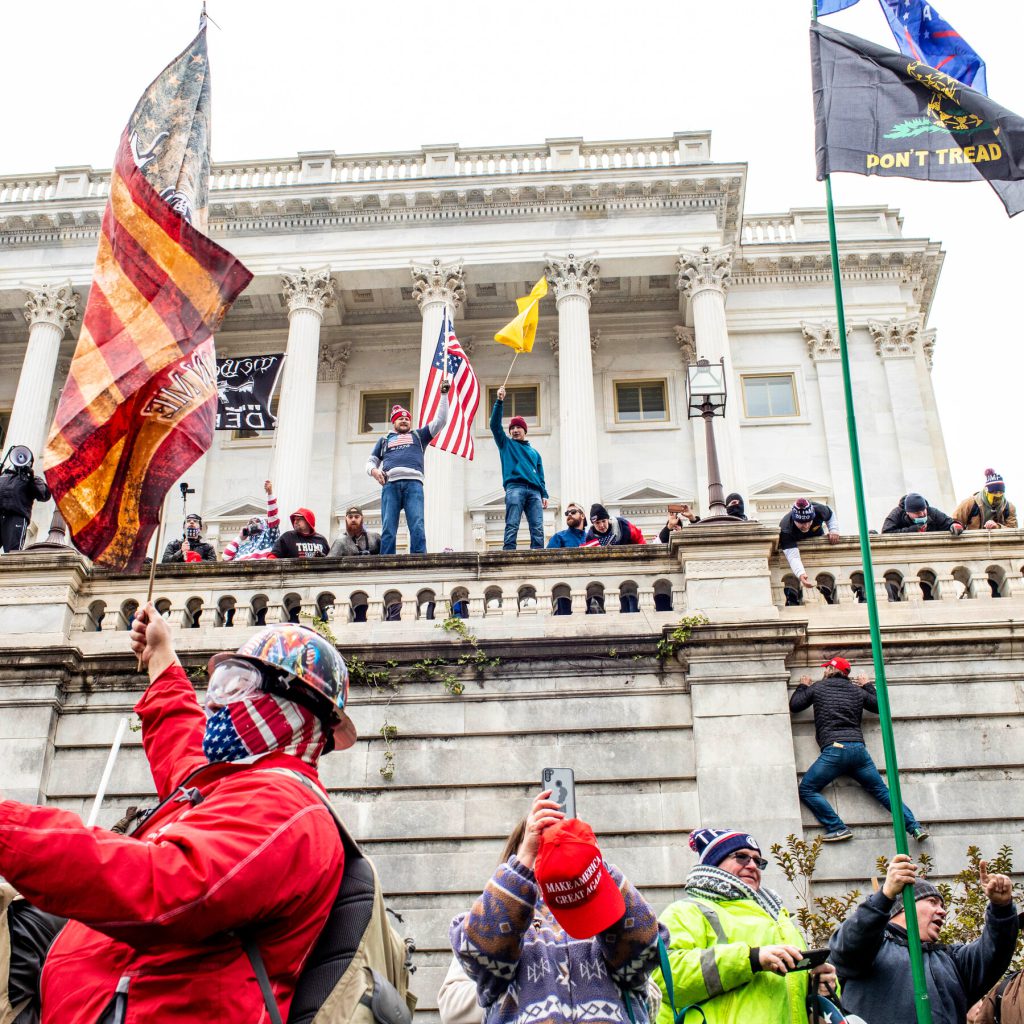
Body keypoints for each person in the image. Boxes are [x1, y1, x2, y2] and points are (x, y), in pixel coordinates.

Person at [0, 608, 357, 1023]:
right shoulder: (239, 785)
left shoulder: (285, 808)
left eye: (236, 684)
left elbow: (161, 887)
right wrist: (160, 657)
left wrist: (7, 829)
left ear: (291, 706)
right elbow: (183, 747)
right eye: (217, 684)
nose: (214, 701)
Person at [450, 790, 665, 1024]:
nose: (554, 851)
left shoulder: (602, 912)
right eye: (541, 847)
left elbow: (647, 949)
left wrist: (591, 863)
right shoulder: (503, 920)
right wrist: (523, 862)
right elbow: (477, 952)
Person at [656, 826, 835, 1024]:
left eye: (758, 861)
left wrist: (821, 986)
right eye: (741, 857)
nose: (752, 866)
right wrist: (750, 959)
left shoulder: (780, 919)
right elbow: (662, 976)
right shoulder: (687, 910)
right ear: (713, 863)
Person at [830, 853, 1019, 1024]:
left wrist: (1001, 909)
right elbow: (847, 947)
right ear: (904, 907)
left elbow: (995, 951)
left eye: (942, 906)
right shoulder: (873, 947)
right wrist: (885, 895)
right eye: (932, 902)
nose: (942, 911)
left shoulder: (953, 960)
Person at [789, 656, 928, 843]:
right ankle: (915, 827)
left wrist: (803, 686)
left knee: (807, 789)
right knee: (882, 791)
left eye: (826, 668)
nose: (824, 670)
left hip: (835, 750)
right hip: (858, 750)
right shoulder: (857, 691)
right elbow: (880, 706)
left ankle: (837, 827)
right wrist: (868, 685)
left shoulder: (818, 688)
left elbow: (795, 705)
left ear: (831, 670)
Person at [366, 384, 450, 555]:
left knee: (417, 524)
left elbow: (440, 421)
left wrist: (444, 395)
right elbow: (370, 462)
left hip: (414, 484)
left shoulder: (419, 436)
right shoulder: (384, 440)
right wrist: (374, 471)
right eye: (400, 418)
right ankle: (386, 560)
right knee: (388, 526)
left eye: (407, 419)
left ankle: (419, 559)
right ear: (394, 422)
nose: (404, 420)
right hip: (391, 485)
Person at [490, 386, 548, 550]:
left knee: (538, 527)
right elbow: (494, 425)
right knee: (512, 523)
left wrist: (544, 493)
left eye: (518, 427)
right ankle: (508, 552)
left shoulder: (534, 453)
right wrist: (499, 401)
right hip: (515, 487)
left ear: (524, 430)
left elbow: (541, 476)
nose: (515, 430)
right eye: (512, 428)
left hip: (535, 491)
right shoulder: (506, 444)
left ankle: (538, 554)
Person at [778, 497, 840, 591]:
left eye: (809, 521)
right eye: (801, 523)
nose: (806, 526)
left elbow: (830, 515)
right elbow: (793, 556)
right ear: (794, 520)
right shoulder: (786, 528)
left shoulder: (819, 509)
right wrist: (800, 573)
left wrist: (833, 530)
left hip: (817, 536)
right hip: (797, 541)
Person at [0, 446, 49, 553]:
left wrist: (31, 478)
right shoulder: (3, 476)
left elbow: (44, 495)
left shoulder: (32, 479)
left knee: (12, 553)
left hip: (16, 518)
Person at [223, 479, 279, 561]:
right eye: (250, 522)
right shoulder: (243, 547)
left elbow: (273, 517)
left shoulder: (270, 539)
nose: (253, 523)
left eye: (257, 521)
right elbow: (226, 556)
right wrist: (240, 538)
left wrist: (270, 494)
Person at [953, 469, 1018, 531]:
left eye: (1001, 492)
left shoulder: (1009, 507)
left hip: (998, 538)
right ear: (986, 491)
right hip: (974, 538)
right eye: (994, 492)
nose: (998, 495)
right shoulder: (969, 503)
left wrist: (997, 527)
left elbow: (1013, 529)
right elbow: (955, 522)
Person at [882, 492, 964, 536]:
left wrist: (955, 525)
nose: (922, 514)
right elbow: (886, 532)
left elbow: (948, 522)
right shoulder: (897, 514)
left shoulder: (932, 512)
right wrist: (914, 530)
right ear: (907, 512)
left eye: (923, 510)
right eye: (917, 512)